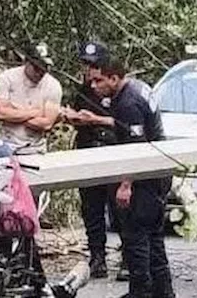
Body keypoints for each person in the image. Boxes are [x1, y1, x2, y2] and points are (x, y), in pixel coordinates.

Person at [72, 57, 173, 298]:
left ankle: (140, 292)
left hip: (142, 179)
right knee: (154, 238)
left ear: (114, 78)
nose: (93, 85)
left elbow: (135, 149)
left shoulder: (128, 101)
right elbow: (125, 127)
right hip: (157, 173)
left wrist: (126, 184)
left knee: (136, 238)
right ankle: (163, 291)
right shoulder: (137, 88)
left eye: (98, 80)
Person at [63, 40, 121, 279]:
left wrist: (94, 119)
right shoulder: (83, 90)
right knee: (91, 209)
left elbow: (121, 123)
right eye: (86, 65)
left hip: (113, 152)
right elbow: (78, 116)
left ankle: (127, 258)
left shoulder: (115, 89)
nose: (89, 70)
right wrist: (73, 117)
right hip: (88, 152)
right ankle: (98, 257)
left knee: (119, 210)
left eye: (94, 65)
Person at [0, 42, 63, 155]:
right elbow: (1, 113)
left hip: (35, 148)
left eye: (44, 68)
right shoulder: (6, 78)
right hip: (4, 144)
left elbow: (47, 123)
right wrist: (37, 112)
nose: (40, 72)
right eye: (36, 67)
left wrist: (14, 113)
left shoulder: (53, 85)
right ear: (26, 62)